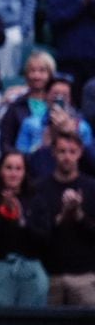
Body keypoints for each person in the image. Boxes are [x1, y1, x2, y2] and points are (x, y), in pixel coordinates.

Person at [0, 151, 49, 308]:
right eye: (9, 168)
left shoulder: (37, 200)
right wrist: (4, 217)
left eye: (18, 168)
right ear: (0, 171)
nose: (14, 173)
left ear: (25, 172)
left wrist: (21, 221)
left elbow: (46, 239)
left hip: (31, 270)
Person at [36, 131, 95, 306]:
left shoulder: (92, 188)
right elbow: (37, 236)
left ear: (80, 153)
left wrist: (78, 215)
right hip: (50, 276)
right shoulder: (39, 188)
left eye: (72, 151)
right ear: (53, 153)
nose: (67, 157)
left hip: (85, 277)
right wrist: (62, 216)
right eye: (62, 151)